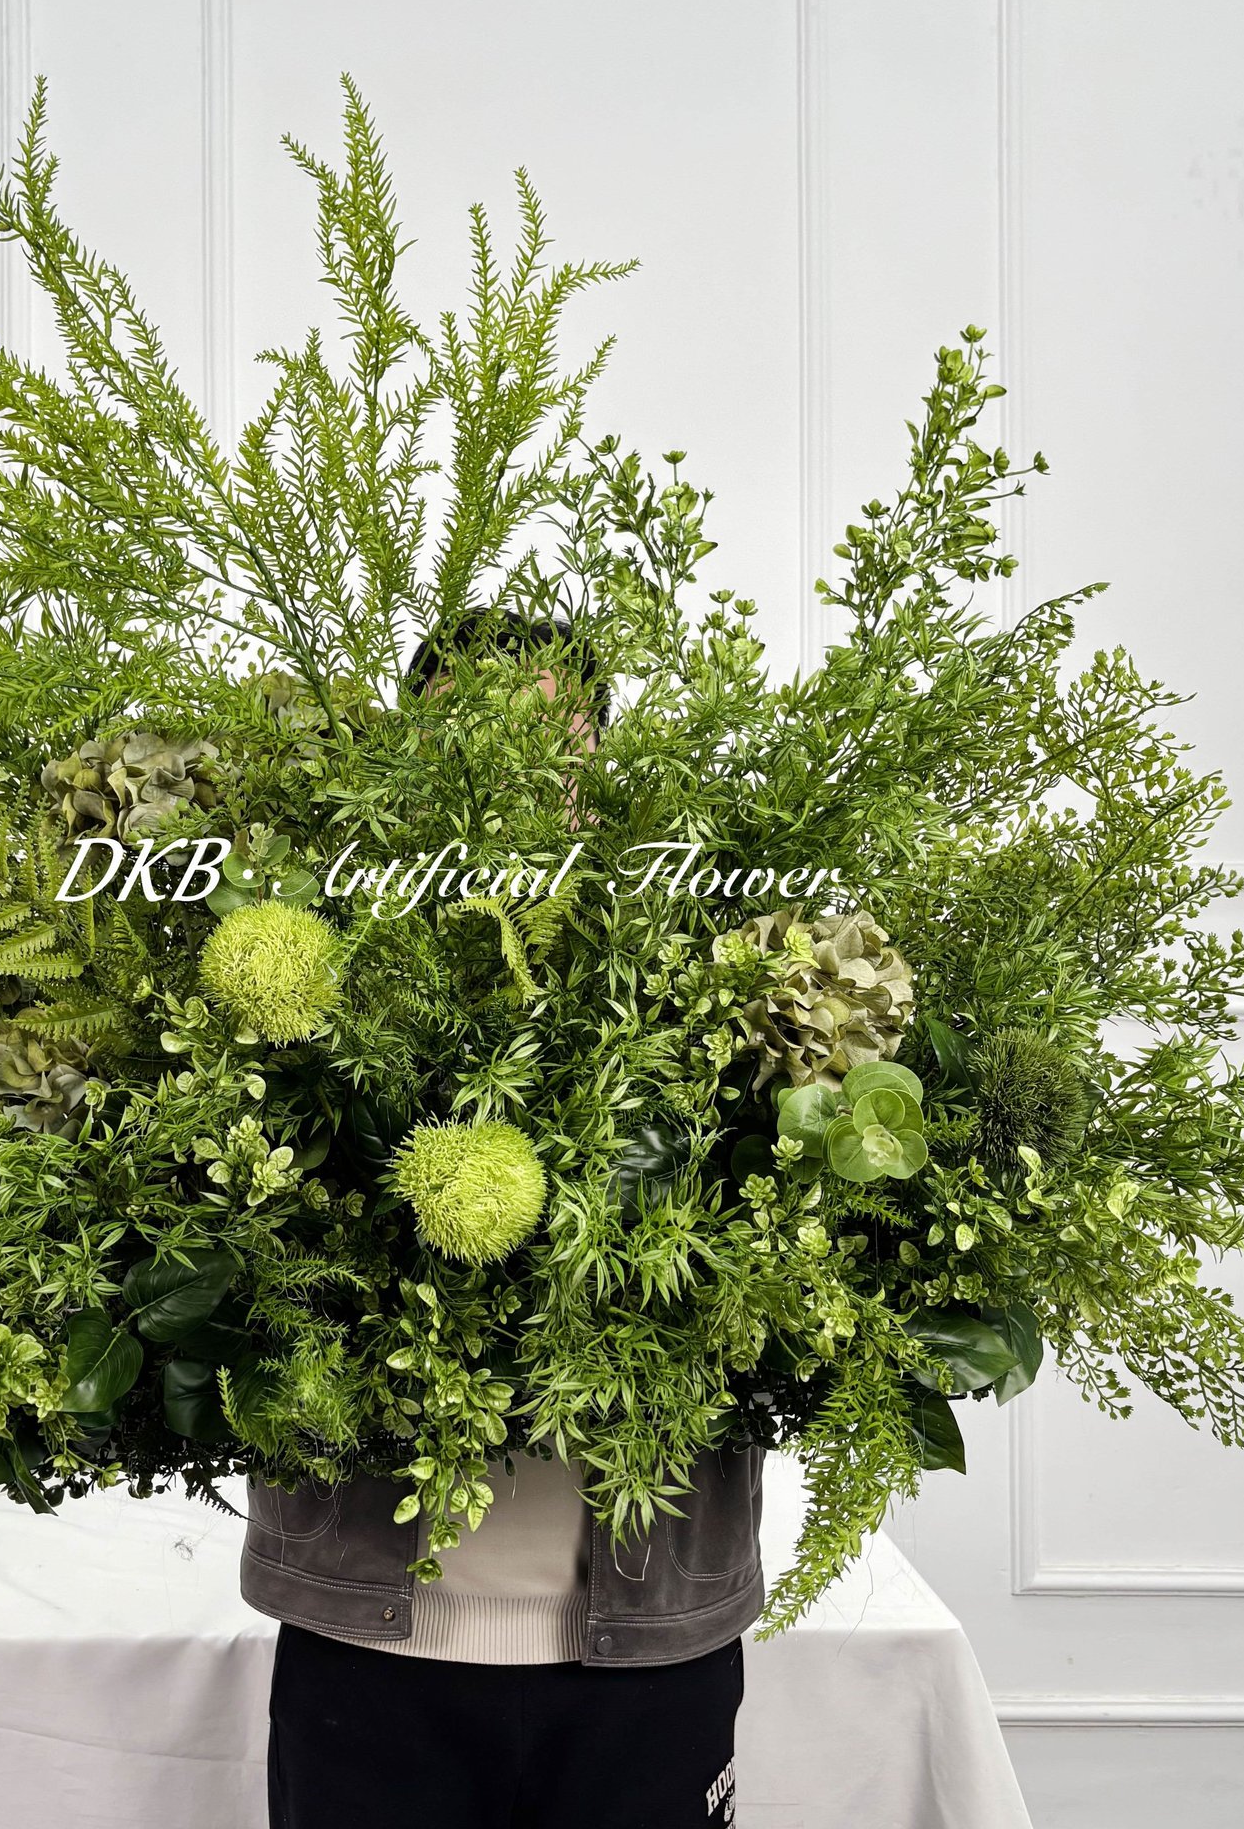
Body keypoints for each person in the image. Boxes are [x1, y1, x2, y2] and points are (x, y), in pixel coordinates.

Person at [241, 609, 765, 1829]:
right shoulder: (321, 971)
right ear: (410, 754)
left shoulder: (702, 965)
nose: (510, 767)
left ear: (600, 758)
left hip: (648, 1643)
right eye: (468, 733)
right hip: (368, 1639)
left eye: (546, 733)